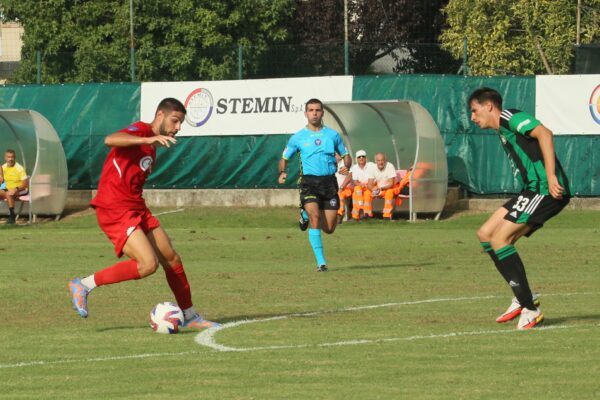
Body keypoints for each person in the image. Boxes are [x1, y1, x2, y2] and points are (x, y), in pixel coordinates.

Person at [68, 98, 219, 330]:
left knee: (172, 258)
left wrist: (151, 143)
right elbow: (110, 140)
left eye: (180, 123)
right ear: (160, 115)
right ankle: (84, 285)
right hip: (114, 208)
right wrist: (148, 137)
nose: (178, 127)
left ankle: (190, 316)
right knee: (148, 264)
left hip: (136, 206)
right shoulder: (141, 130)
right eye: (175, 121)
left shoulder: (152, 146)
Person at [468, 87, 570, 330]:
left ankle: (531, 309)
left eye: (474, 110)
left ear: (489, 106)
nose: (472, 117)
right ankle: (523, 296)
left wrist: (552, 176)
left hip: (545, 190)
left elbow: (545, 133)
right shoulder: (501, 129)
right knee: (485, 234)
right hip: (531, 189)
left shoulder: (509, 117)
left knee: (501, 239)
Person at [278, 98, 351, 272]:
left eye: (317, 110)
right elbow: (284, 158)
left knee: (330, 228)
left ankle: (303, 214)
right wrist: (282, 172)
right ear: (305, 113)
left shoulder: (332, 135)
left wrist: (346, 166)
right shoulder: (298, 138)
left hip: (329, 183)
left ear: (322, 113)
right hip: (309, 183)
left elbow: (346, 155)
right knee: (315, 218)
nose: (314, 113)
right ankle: (321, 263)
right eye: (311, 110)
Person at [363, 152, 400, 220]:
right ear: (375, 161)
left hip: (391, 188)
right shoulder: (372, 168)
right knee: (367, 193)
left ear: (385, 160)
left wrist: (380, 188)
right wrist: (373, 190)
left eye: (382, 160)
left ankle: (387, 216)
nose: (380, 162)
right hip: (380, 189)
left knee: (389, 193)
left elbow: (391, 183)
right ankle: (367, 215)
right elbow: (369, 184)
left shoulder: (389, 166)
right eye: (378, 160)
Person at [0, 149, 29, 224]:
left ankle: (12, 216)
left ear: (15, 157)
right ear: (5, 158)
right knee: (7, 192)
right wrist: (3, 188)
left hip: (21, 189)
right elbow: (2, 182)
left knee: (9, 193)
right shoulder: (3, 168)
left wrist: (16, 189)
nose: (10, 159)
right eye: (8, 157)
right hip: (7, 189)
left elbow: (25, 184)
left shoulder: (19, 168)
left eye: (12, 157)